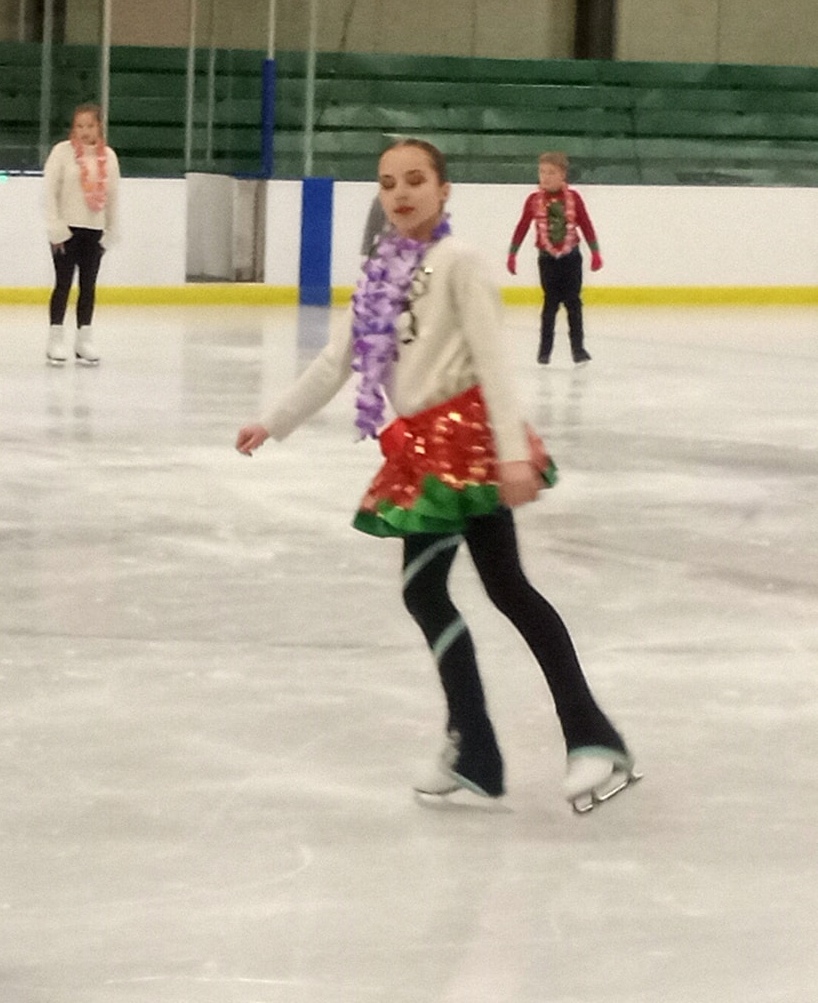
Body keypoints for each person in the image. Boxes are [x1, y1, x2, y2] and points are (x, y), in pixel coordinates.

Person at [235, 138, 637, 814]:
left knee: (501, 590)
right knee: (440, 592)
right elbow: (336, 362)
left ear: (443, 190)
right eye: (389, 182)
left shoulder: (461, 262)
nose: (401, 193)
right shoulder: (380, 273)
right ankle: (481, 745)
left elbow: (493, 360)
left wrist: (511, 452)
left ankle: (582, 736)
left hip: (469, 446)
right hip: (423, 452)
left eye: (415, 179)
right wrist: (273, 422)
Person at [42, 102, 121, 366]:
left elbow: (113, 196)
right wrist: (56, 228)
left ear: (99, 127)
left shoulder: (108, 157)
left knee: (89, 285)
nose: (84, 131)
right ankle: (55, 338)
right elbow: (49, 192)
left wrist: (110, 231)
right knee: (63, 283)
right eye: (79, 126)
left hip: (94, 230)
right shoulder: (61, 153)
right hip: (66, 230)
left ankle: (84, 338)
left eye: (89, 126)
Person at [507, 151, 603, 366]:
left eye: (551, 173)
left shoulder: (574, 198)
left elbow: (585, 224)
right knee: (550, 303)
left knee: (573, 303)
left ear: (563, 175)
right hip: (547, 259)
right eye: (542, 172)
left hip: (571, 258)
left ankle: (578, 349)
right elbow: (522, 226)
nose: (545, 177)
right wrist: (513, 253)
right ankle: (544, 351)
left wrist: (595, 251)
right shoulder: (534, 200)